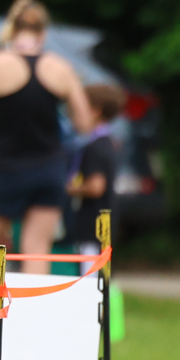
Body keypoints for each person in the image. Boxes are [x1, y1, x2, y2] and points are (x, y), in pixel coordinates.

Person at [0, 0, 93, 276]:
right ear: (43, 33)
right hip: (49, 168)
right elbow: (84, 123)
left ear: (12, 30)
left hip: (6, 166)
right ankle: (34, 304)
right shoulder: (60, 67)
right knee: (36, 248)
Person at [66, 84, 125, 255]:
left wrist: (66, 188)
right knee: (101, 269)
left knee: (91, 270)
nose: (72, 116)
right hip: (103, 224)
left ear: (95, 111)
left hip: (92, 227)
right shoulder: (108, 143)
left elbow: (95, 187)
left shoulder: (95, 147)